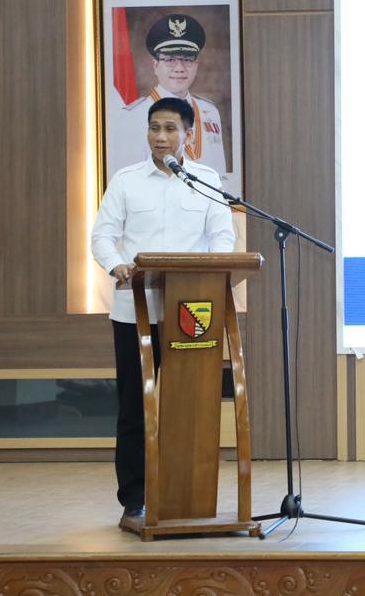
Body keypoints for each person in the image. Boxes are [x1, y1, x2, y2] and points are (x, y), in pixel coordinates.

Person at [90, 96, 235, 528]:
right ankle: (135, 499)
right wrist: (116, 265)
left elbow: (222, 238)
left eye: (171, 129)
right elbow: (102, 236)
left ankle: (184, 492)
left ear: (189, 135)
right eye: (154, 127)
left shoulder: (206, 181)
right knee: (136, 407)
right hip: (134, 311)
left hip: (191, 314)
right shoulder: (127, 181)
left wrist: (212, 271)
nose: (160, 136)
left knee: (187, 405)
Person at [109, 13, 228, 181]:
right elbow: (128, 182)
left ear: (196, 65)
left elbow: (219, 178)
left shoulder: (210, 111)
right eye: (170, 60)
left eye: (187, 59)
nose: (179, 68)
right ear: (155, 66)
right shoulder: (132, 116)